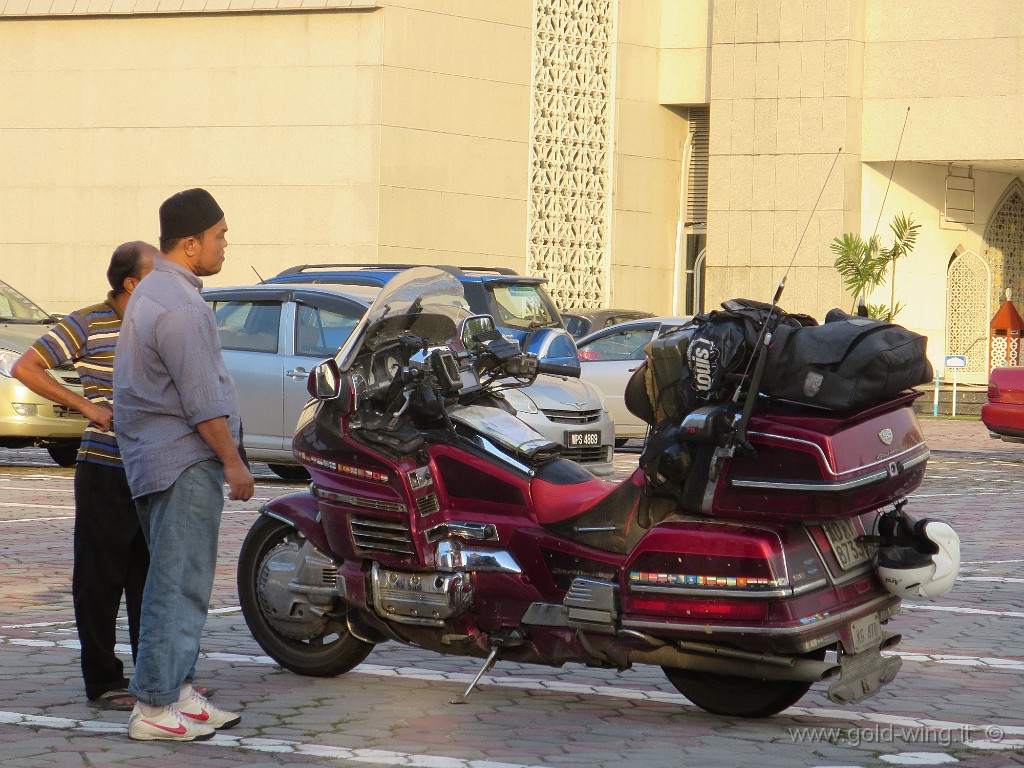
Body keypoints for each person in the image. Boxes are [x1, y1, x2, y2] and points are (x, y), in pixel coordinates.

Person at [113, 188, 254, 742]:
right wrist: (233, 462)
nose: (226, 245)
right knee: (178, 584)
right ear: (191, 245)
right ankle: (153, 706)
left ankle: (179, 694)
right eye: (220, 236)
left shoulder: (154, 294)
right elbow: (201, 399)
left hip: (157, 460)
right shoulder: (179, 305)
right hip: (183, 461)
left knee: (180, 581)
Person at [11, 243, 157, 710]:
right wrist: (85, 406)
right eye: (157, 272)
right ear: (130, 282)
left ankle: (155, 678)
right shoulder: (87, 322)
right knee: (100, 579)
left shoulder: (158, 322)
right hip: (105, 469)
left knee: (149, 578)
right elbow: (25, 367)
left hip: (153, 470)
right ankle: (104, 682)